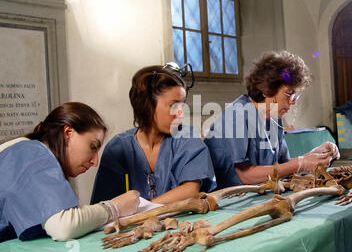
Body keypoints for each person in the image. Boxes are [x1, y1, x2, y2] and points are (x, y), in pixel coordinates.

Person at [0, 102, 140, 243]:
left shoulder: (22, 150)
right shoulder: (32, 153)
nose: (95, 162)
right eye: (92, 146)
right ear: (68, 133)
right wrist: (113, 208)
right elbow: (62, 227)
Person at [204, 50, 340, 189]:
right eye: (288, 94)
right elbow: (244, 176)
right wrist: (300, 163)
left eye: (295, 96)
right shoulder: (237, 114)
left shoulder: (273, 117)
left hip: (259, 192)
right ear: (267, 89)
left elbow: (282, 166)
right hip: (229, 199)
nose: (292, 102)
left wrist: (314, 155)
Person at [91, 65, 216, 205]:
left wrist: (141, 211)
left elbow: (190, 190)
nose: (181, 112)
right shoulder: (118, 148)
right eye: (174, 105)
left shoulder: (186, 139)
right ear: (147, 106)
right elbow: (103, 205)